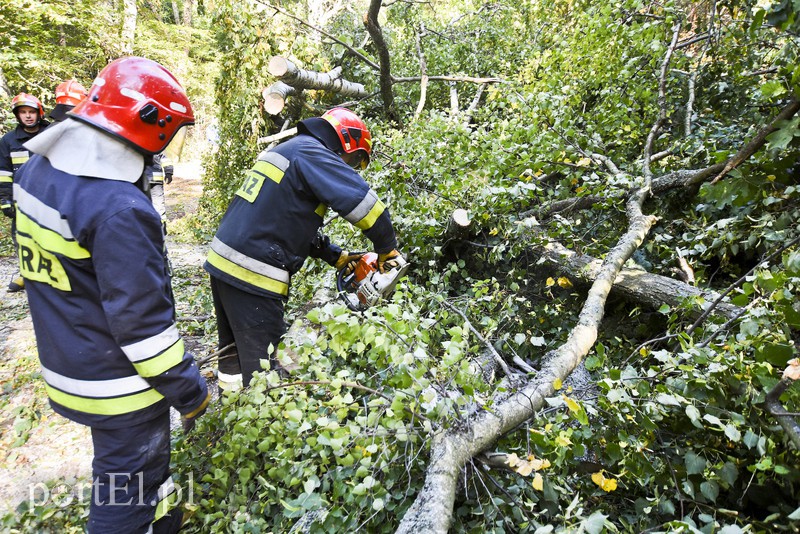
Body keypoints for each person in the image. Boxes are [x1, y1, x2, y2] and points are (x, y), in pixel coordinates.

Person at [13, 57, 209, 533]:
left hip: (72, 357)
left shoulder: (39, 171)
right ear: (150, 124)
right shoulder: (120, 210)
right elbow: (144, 330)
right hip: (119, 385)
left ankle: (164, 524)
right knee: (124, 492)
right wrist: (191, 391)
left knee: (143, 478)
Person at [204, 107, 407, 391]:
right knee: (268, 372)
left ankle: (228, 419)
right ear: (346, 144)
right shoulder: (313, 153)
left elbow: (282, 216)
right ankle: (263, 422)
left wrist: (336, 256)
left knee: (234, 357)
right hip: (252, 272)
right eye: (356, 160)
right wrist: (387, 248)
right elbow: (364, 205)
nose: (351, 167)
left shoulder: (291, 149)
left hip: (225, 262)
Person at [0, 92, 49, 292]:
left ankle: (54, 272)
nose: (28, 116)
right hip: (23, 199)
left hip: (50, 195)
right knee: (22, 237)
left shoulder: (51, 132)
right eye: (23, 112)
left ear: (39, 113)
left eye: (31, 112)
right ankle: (26, 273)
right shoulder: (8, 141)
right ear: (17, 116)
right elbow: (3, 173)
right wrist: (5, 199)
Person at [144, 152, 174, 233]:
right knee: (158, 203)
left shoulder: (138, 145)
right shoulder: (156, 147)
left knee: (143, 202)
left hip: (144, 178)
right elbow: (165, 159)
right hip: (157, 179)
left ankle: (147, 226)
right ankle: (162, 226)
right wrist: (169, 173)